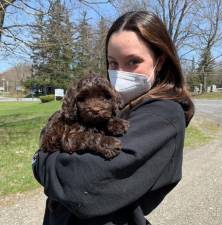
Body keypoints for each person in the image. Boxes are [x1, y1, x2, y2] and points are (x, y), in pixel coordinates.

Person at [32, 11, 194, 225]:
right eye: (113, 63)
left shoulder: (163, 114)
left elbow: (81, 186)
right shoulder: (125, 106)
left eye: (133, 61)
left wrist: (40, 161)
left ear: (160, 61)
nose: (120, 73)